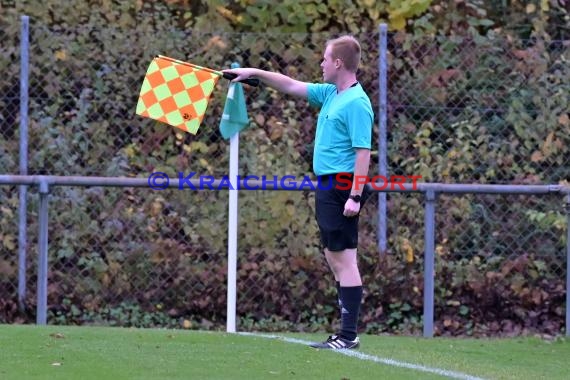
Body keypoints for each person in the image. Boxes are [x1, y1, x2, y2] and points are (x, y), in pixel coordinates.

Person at [224, 35, 373, 349]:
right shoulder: (332, 93)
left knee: (344, 260)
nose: (320, 63)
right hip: (329, 185)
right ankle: (347, 332)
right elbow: (291, 85)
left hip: (343, 185)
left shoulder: (357, 102)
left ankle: (348, 335)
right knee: (335, 258)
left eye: (324, 58)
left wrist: (355, 196)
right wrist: (255, 73)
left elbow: (363, 154)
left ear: (338, 63)